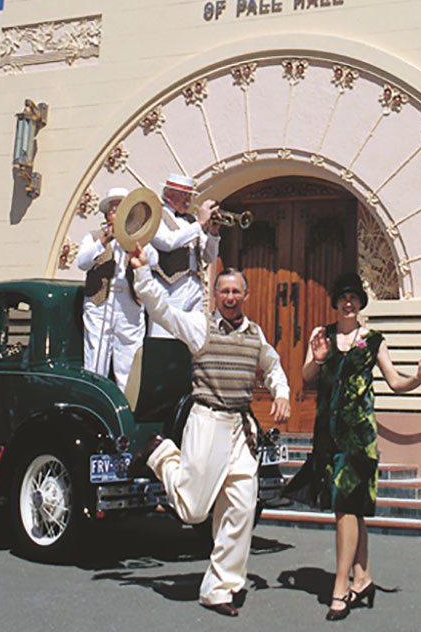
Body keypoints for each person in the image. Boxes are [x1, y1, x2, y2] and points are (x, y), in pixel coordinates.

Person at [129, 261, 290, 618]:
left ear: (245, 295)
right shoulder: (199, 326)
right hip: (207, 422)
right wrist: (141, 272)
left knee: (241, 506)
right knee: (192, 509)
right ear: (214, 295)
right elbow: (162, 309)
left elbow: (274, 364)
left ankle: (220, 588)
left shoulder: (255, 334)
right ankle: (161, 454)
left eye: (236, 291)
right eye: (224, 291)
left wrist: (282, 393)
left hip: (241, 428)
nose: (230, 297)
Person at [285, 272, 421, 620]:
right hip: (328, 434)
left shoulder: (373, 340)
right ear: (336, 302)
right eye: (343, 297)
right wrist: (318, 357)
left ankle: (340, 588)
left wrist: (419, 377)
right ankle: (364, 576)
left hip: (359, 438)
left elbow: (396, 382)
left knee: (344, 507)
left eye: (354, 297)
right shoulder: (321, 335)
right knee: (351, 508)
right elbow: (307, 378)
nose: (348, 302)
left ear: (360, 303)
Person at [73, 186, 152, 389]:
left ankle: (128, 405)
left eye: (122, 208)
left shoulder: (140, 237)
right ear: (107, 214)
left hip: (129, 303)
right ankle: (95, 397)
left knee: (129, 356)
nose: (116, 213)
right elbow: (82, 262)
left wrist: (136, 244)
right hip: (100, 303)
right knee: (96, 356)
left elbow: (153, 260)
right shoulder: (93, 236)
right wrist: (105, 240)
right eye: (113, 209)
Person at [147, 173, 219, 341]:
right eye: (184, 195)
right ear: (170, 195)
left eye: (190, 196)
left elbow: (209, 257)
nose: (189, 200)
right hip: (168, 286)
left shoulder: (190, 220)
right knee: (165, 334)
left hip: (194, 285)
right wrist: (199, 224)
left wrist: (214, 233)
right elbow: (168, 242)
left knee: (192, 334)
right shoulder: (156, 215)